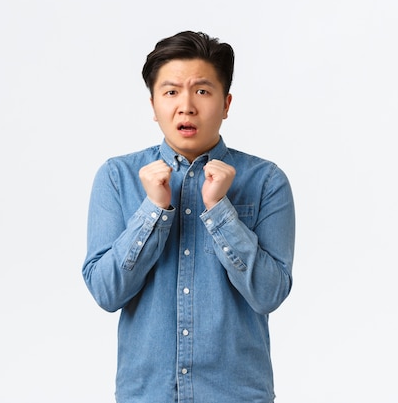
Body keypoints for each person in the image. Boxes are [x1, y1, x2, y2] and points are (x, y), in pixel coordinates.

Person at [82, 30, 296, 403]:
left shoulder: (266, 181)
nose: (186, 106)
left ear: (226, 103)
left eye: (201, 90)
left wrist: (219, 210)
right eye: (171, 92)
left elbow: (270, 294)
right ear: (153, 104)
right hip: (146, 395)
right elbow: (105, 291)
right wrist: (154, 210)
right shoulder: (117, 177)